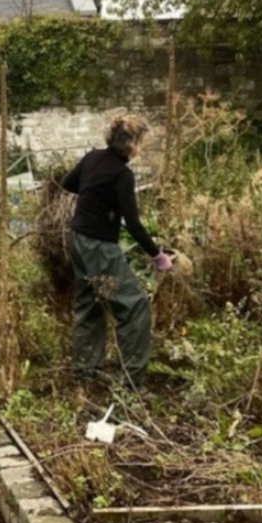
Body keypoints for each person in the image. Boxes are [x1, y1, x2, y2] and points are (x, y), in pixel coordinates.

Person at [60, 114, 171, 389]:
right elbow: (132, 223)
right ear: (133, 144)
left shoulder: (93, 158)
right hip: (99, 246)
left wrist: (95, 196)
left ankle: (85, 371)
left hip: (78, 239)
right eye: (142, 141)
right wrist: (157, 255)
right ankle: (132, 381)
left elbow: (68, 183)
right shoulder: (122, 174)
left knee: (90, 304)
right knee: (133, 306)